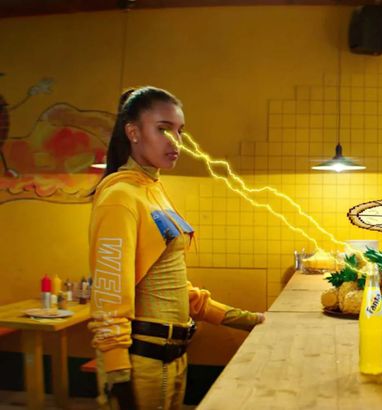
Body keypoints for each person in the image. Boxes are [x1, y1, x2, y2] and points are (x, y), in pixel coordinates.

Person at [89, 86, 265, 410]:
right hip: (140, 365)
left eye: (179, 131)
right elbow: (110, 294)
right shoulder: (119, 198)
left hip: (174, 359)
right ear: (133, 132)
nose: (176, 142)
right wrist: (117, 374)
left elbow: (172, 287)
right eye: (162, 129)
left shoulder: (153, 190)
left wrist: (247, 319)